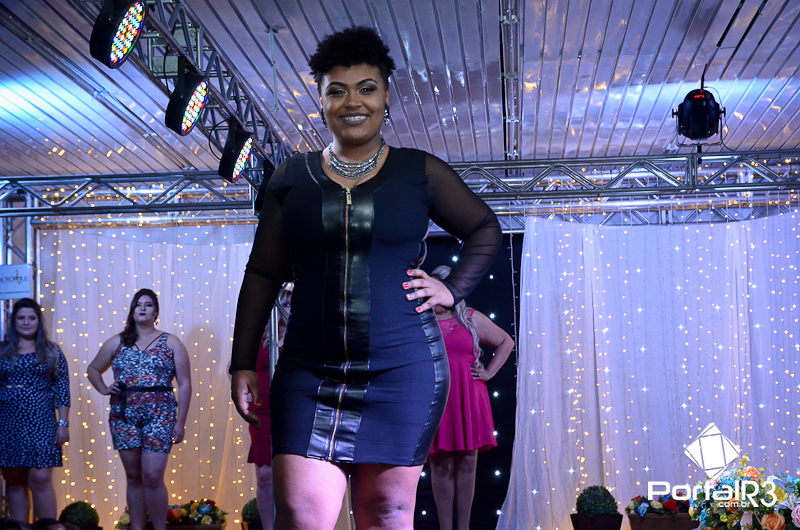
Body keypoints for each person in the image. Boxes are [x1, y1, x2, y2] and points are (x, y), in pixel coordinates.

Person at [229, 26, 501, 530]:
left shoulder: (419, 172)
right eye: (337, 90)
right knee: (300, 514)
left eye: (366, 88)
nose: (353, 101)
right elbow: (263, 272)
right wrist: (242, 361)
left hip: (403, 370)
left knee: (387, 514)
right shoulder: (291, 177)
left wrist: (452, 288)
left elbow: (485, 226)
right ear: (321, 100)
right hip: (308, 372)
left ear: (386, 96)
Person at [86, 289, 191, 530]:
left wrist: (180, 422)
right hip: (123, 415)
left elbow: (185, 384)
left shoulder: (172, 342)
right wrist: (104, 388)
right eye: (138, 304)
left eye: (148, 304)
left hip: (161, 414)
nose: (143, 308)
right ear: (132, 310)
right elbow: (93, 369)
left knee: (152, 476)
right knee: (133, 477)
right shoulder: (117, 342)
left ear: (156, 312)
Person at [427, 265, 514, 530]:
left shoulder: (470, 317)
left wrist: (488, 372)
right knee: (440, 464)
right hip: (437, 397)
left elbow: (506, 341)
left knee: (467, 463)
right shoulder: (421, 319)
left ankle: (463, 527)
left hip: (468, 395)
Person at [0, 298, 70, 521]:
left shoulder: (51, 351)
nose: (26, 322)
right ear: (13, 321)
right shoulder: (2, 351)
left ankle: (48, 526)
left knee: (40, 479)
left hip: (41, 422)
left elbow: (63, 390)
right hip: (7, 423)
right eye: (21, 318)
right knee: (14, 480)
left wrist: (63, 424)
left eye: (31, 318)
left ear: (39, 321)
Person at [248, 283, 293, 530]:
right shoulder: (261, 336)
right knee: (265, 475)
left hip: (295, 411)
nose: (289, 308)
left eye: (293, 303)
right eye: (285, 303)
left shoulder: (305, 336)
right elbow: (235, 367)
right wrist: (245, 393)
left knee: (293, 476)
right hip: (263, 411)